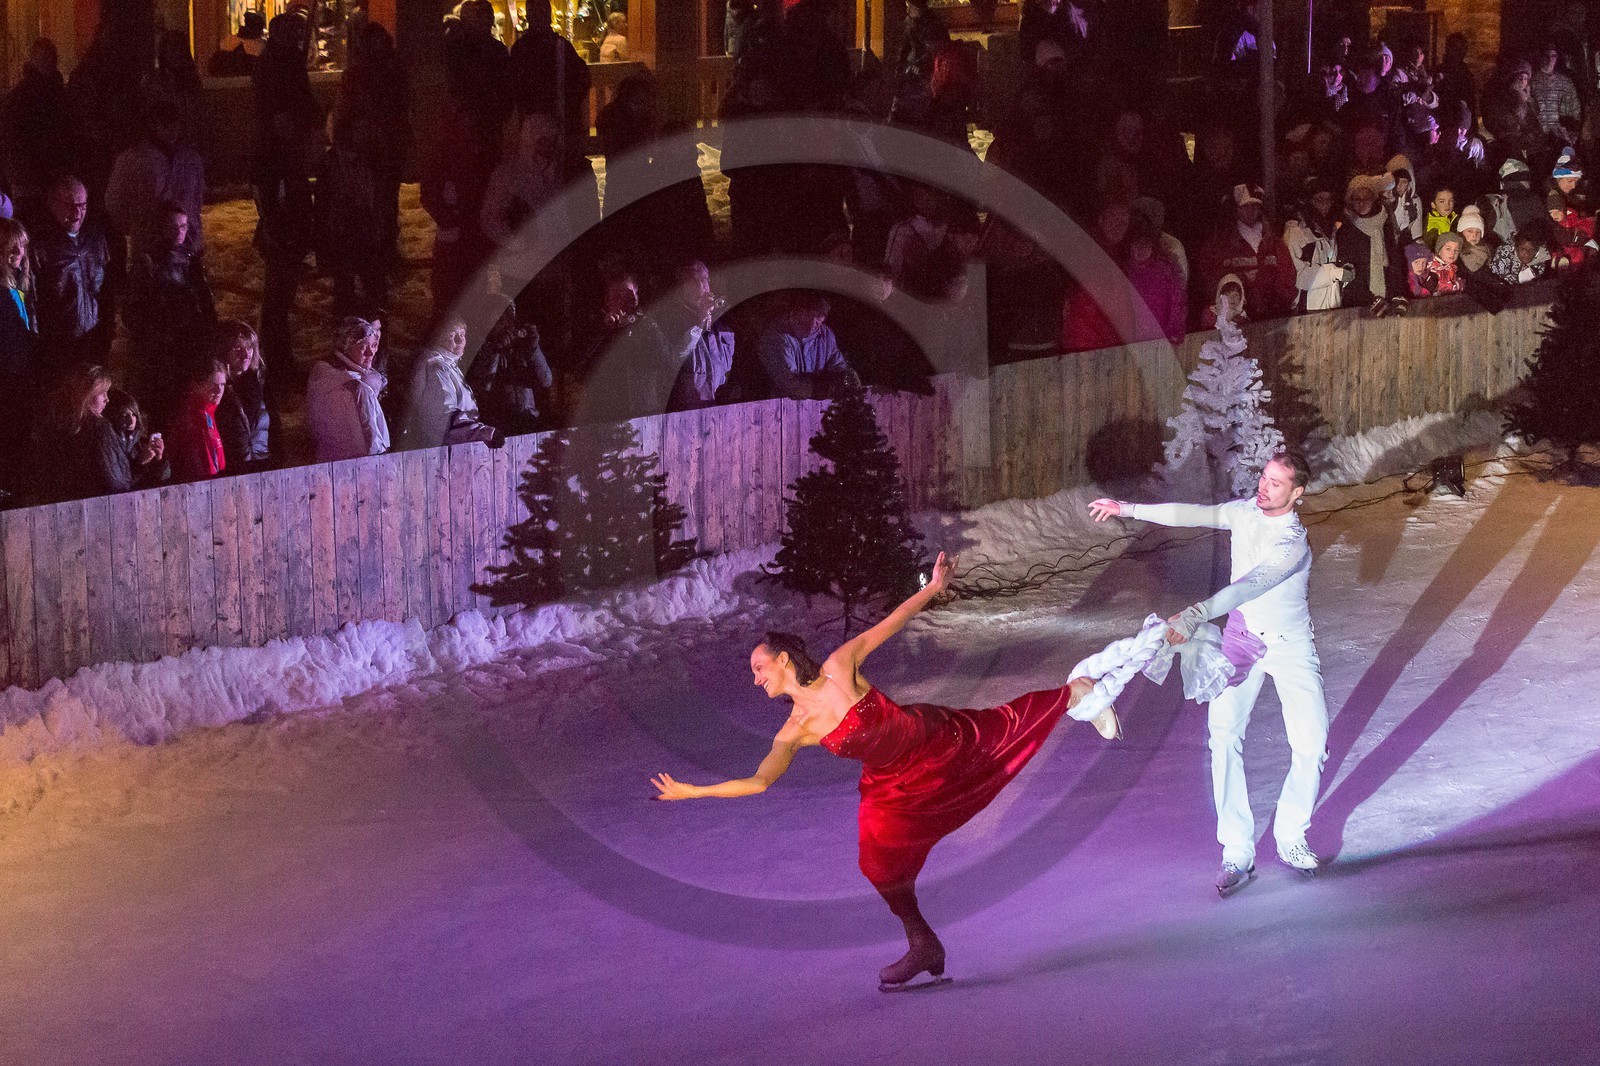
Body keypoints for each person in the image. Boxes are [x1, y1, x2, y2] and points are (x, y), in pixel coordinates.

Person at [650, 552, 1125, 990]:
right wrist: (694, 792)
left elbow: (893, 622)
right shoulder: (795, 728)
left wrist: (934, 588)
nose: (755, 679)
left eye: (759, 667)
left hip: (930, 742)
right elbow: (760, 781)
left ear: (783, 659)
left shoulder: (840, 667)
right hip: (889, 786)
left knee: (998, 730)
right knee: (876, 864)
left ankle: (1074, 693)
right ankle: (923, 944)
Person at [1089, 450, 1328, 895]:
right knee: (1223, 736)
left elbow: (1251, 585)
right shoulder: (1242, 513)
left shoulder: (1292, 543)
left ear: (1297, 493)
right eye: (1264, 476)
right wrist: (1129, 509)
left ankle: (1291, 836)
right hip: (1240, 640)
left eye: (1276, 483)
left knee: (1311, 744)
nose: (1263, 486)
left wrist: (1198, 613)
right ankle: (1237, 851)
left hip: (1291, 647)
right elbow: (1191, 514)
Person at [124, 202, 216, 413]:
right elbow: (133, 314)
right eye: (173, 226)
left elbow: (205, 303)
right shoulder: (148, 264)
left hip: (190, 347)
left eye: (183, 226)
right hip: (161, 356)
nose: (179, 232)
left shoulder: (190, 261)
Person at [49, 364, 166, 499]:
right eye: (101, 393)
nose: (107, 399)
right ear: (87, 395)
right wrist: (140, 463)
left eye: (133, 415)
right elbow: (117, 483)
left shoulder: (62, 427)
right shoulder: (99, 430)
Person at [29, 175, 110, 367]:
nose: (77, 212)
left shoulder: (94, 239)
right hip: (57, 345)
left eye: (83, 205)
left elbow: (106, 288)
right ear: (52, 204)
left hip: (92, 338)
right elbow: (31, 296)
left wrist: (107, 329)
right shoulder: (41, 245)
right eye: (70, 205)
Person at [402, 317, 500, 449]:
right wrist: (484, 432)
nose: (460, 341)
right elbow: (444, 415)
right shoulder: (436, 367)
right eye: (452, 336)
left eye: (462, 335)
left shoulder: (448, 365)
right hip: (446, 450)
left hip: (458, 445)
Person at [465, 296, 555, 435]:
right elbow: (481, 389)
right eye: (496, 318)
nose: (503, 324)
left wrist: (533, 349)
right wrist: (496, 351)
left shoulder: (520, 346)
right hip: (496, 426)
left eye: (506, 318)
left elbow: (546, 381)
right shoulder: (475, 348)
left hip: (527, 421)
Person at [307, 315, 390, 460]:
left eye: (374, 345)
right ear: (347, 348)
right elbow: (372, 443)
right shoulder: (358, 389)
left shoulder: (321, 376)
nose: (370, 353)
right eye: (363, 347)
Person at [756, 292, 860, 400]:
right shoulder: (775, 336)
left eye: (817, 321)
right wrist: (818, 389)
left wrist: (848, 378)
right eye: (808, 316)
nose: (811, 325)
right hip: (778, 409)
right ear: (796, 312)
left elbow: (838, 366)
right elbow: (787, 382)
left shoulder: (826, 336)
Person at [0, 217, 40, 500]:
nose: (19, 255)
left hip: (22, 376)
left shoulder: (17, 287)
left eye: (22, 248)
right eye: (12, 249)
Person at [212, 321, 272, 473]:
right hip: (232, 471)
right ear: (223, 351)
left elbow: (272, 423)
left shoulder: (258, 382)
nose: (246, 355)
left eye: (250, 348)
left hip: (261, 465)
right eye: (238, 349)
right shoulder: (216, 390)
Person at [165, 359, 227, 482]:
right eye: (212, 384)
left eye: (222, 384)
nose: (219, 390)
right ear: (197, 386)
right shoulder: (187, 417)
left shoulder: (210, 414)